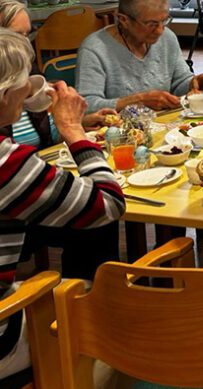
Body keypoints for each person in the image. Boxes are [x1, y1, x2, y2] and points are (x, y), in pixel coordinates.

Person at [0, 29, 125, 383]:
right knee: (110, 318)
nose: (30, 88)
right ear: (7, 93)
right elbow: (108, 204)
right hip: (2, 337)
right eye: (26, 80)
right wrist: (73, 130)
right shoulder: (6, 163)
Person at [77, 0, 203, 112]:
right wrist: (137, 101)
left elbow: (179, 81)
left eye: (164, 21)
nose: (160, 30)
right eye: (151, 24)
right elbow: (86, 105)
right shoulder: (95, 49)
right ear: (124, 20)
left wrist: (193, 83)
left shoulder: (166, 38)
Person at [0, 0, 114, 147]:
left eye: (27, 34)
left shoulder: (29, 75)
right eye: (16, 35)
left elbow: (47, 134)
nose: (26, 43)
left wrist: (78, 123)